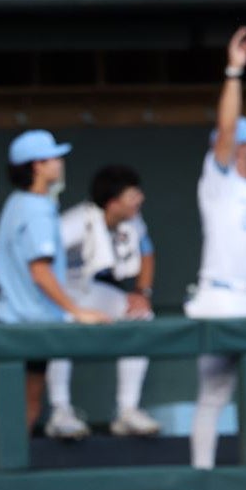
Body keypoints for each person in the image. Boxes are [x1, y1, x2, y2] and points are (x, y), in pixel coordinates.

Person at [185, 26, 246, 470]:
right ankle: (202, 477)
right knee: (213, 397)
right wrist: (233, 72)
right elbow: (225, 127)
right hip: (220, 301)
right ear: (240, 148)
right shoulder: (219, 181)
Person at [0, 129, 110, 432]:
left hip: (13, 321)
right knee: (23, 409)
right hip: (28, 325)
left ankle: (6, 474)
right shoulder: (35, 209)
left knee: (17, 408)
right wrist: (75, 311)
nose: (59, 162)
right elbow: (40, 272)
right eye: (52, 158)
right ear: (36, 166)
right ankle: (7, 478)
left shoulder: (19, 202)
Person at [44, 165, 161, 439]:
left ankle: (127, 411)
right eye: (132, 195)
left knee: (140, 317)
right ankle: (60, 411)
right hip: (60, 290)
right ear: (112, 202)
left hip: (89, 288)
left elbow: (147, 251)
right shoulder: (75, 223)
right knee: (61, 324)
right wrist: (66, 306)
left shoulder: (133, 220)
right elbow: (41, 264)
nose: (140, 199)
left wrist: (142, 293)